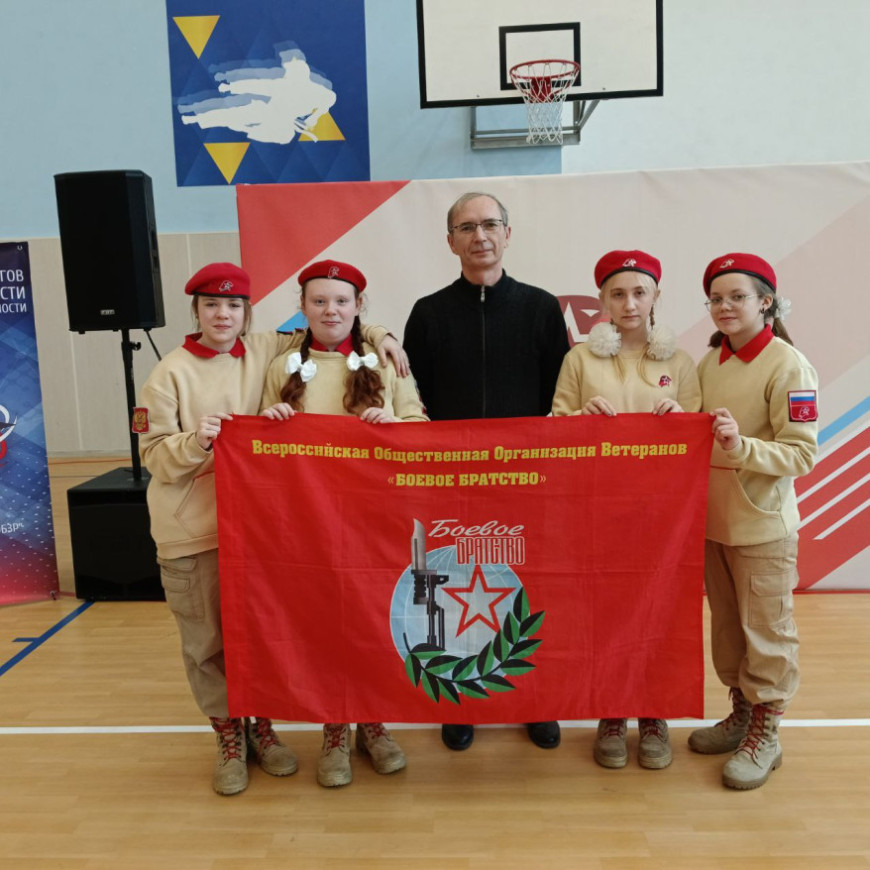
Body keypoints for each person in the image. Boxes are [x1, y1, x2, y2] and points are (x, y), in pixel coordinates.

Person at [137, 262, 406, 796]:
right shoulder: (167, 374)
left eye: (233, 306)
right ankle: (230, 737)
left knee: (259, 636)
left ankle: (264, 727)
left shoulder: (267, 351)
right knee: (207, 643)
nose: (223, 315)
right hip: (196, 530)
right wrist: (198, 441)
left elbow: (337, 321)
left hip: (262, 532)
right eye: (212, 305)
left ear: (248, 313)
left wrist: (383, 335)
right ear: (195, 311)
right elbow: (154, 456)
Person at [403, 191, 569, 752]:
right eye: (467, 227)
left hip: (525, 479)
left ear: (508, 234)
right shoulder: (428, 313)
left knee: (530, 589)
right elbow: (413, 397)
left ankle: (537, 700)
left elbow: (560, 396)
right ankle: (463, 697)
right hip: (451, 483)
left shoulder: (541, 308)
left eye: (490, 224)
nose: (480, 235)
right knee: (455, 591)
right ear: (450, 241)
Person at [261, 258, 428, 788]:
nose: (330, 310)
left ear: (359, 307)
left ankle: (372, 723)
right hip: (310, 521)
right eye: (318, 301)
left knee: (374, 621)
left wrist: (395, 425)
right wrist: (272, 423)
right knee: (325, 624)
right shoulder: (282, 367)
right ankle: (335, 727)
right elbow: (262, 450)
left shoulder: (385, 362)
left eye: (341, 301)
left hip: (375, 519)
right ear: (302, 307)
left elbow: (421, 427)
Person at [551, 249, 702, 770]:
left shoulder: (680, 363)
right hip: (598, 512)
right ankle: (612, 711)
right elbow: (555, 428)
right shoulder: (579, 360)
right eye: (618, 294)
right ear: (602, 301)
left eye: (640, 292)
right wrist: (580, 419)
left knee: (661, 610)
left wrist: (682, 419)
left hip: (662, 516)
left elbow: (698, 434)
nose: (629, 303)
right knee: (607, 612)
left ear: (656, 297)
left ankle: (654, 713)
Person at [688, 253, 818, 790]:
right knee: (727, 630)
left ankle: (767, 733)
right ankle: (741, 714)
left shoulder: (789, 365)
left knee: (767, 632)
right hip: (712, 524)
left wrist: (741, 447)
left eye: (737, 297)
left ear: (766, 302)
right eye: (716, 299)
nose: (725, 307)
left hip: (762, 528)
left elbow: (802, 454)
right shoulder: (709, 362)